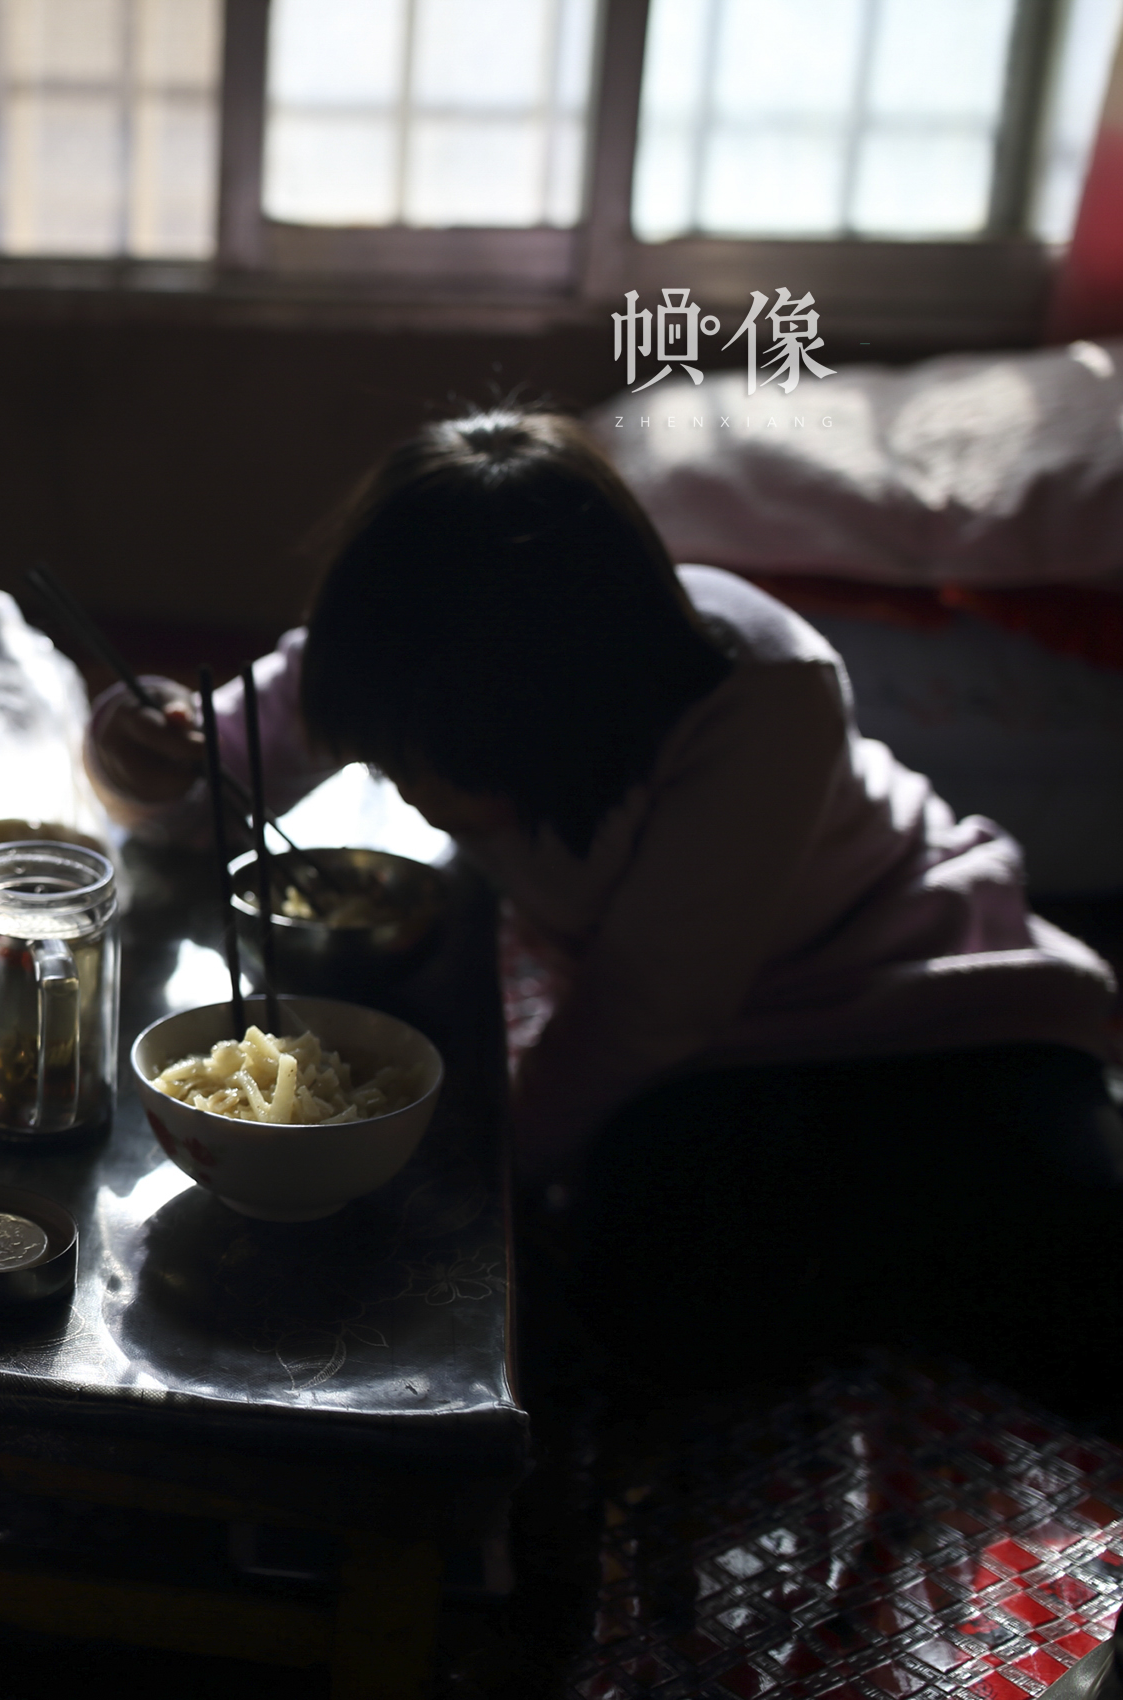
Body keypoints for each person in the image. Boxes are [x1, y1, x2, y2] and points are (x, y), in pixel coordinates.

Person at [87, 410, 1119, 1409]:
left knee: (1072, 1286)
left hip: (934, 1005)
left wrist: (474, 1189)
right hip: (725, 1047)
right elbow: (210, 774)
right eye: (384, 757)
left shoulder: (762, 692)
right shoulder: (406, 641)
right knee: (648, 1277)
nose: (407, 789)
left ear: (553, 725)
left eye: (431, 766)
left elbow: (644, 1009)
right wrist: (138, 749)